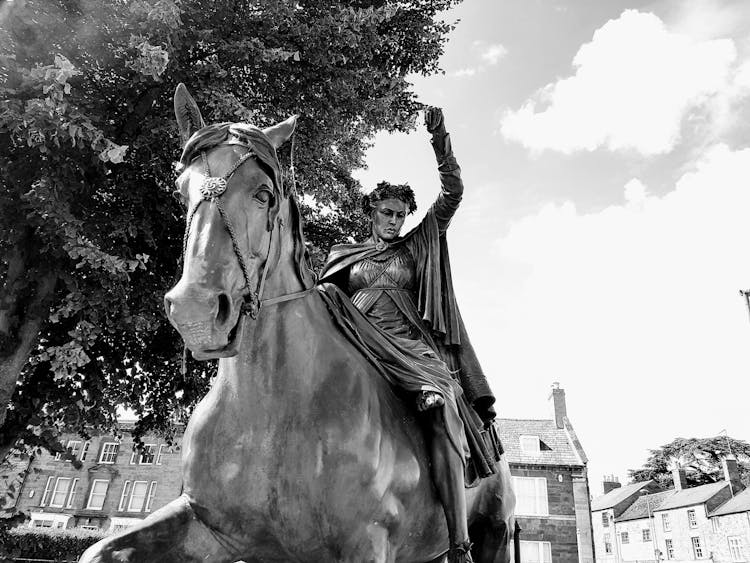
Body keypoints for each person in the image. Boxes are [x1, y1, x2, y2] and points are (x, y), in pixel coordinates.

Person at [318, 107, 501, 563]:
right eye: (387, 212)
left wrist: (441, 142)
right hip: (355, 342)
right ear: (371, 212)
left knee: (441, 406)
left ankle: (458, 542)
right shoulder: (344, 254)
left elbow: (453, 192)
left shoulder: (418, 244)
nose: (394, 221)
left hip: (410, 347)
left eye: (401, 214)